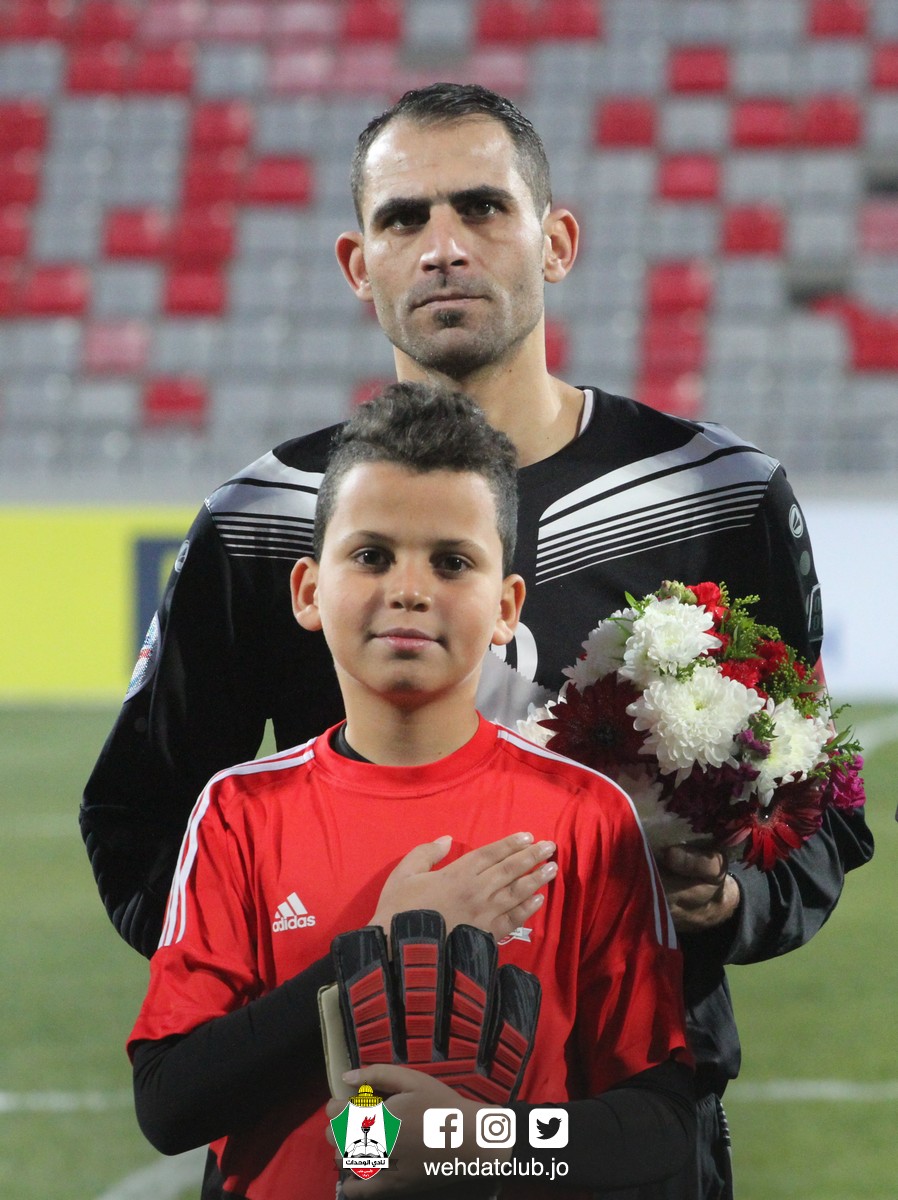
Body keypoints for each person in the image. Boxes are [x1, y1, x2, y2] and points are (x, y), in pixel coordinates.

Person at [83, 83, 873, 1199]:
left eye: (482, 208)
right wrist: (329, 976)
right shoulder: (265, 519)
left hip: (624, 1125)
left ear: (556, 242)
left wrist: (729, 903)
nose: (444, 247)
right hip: (340, 1128)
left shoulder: (717, 494)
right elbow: (140, 818)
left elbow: (819, 806)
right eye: (404, 219)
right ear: (359, 265)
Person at [127, 384, 695, 1199]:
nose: (409, 589)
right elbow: (169, 1102)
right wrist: (383, 950)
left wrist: (478, 1143)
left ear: (506, 608)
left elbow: (662, 1123)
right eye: (371, 556)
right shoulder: (240, 813)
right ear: (307, 591)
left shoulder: (586, 815)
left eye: (452, 562)